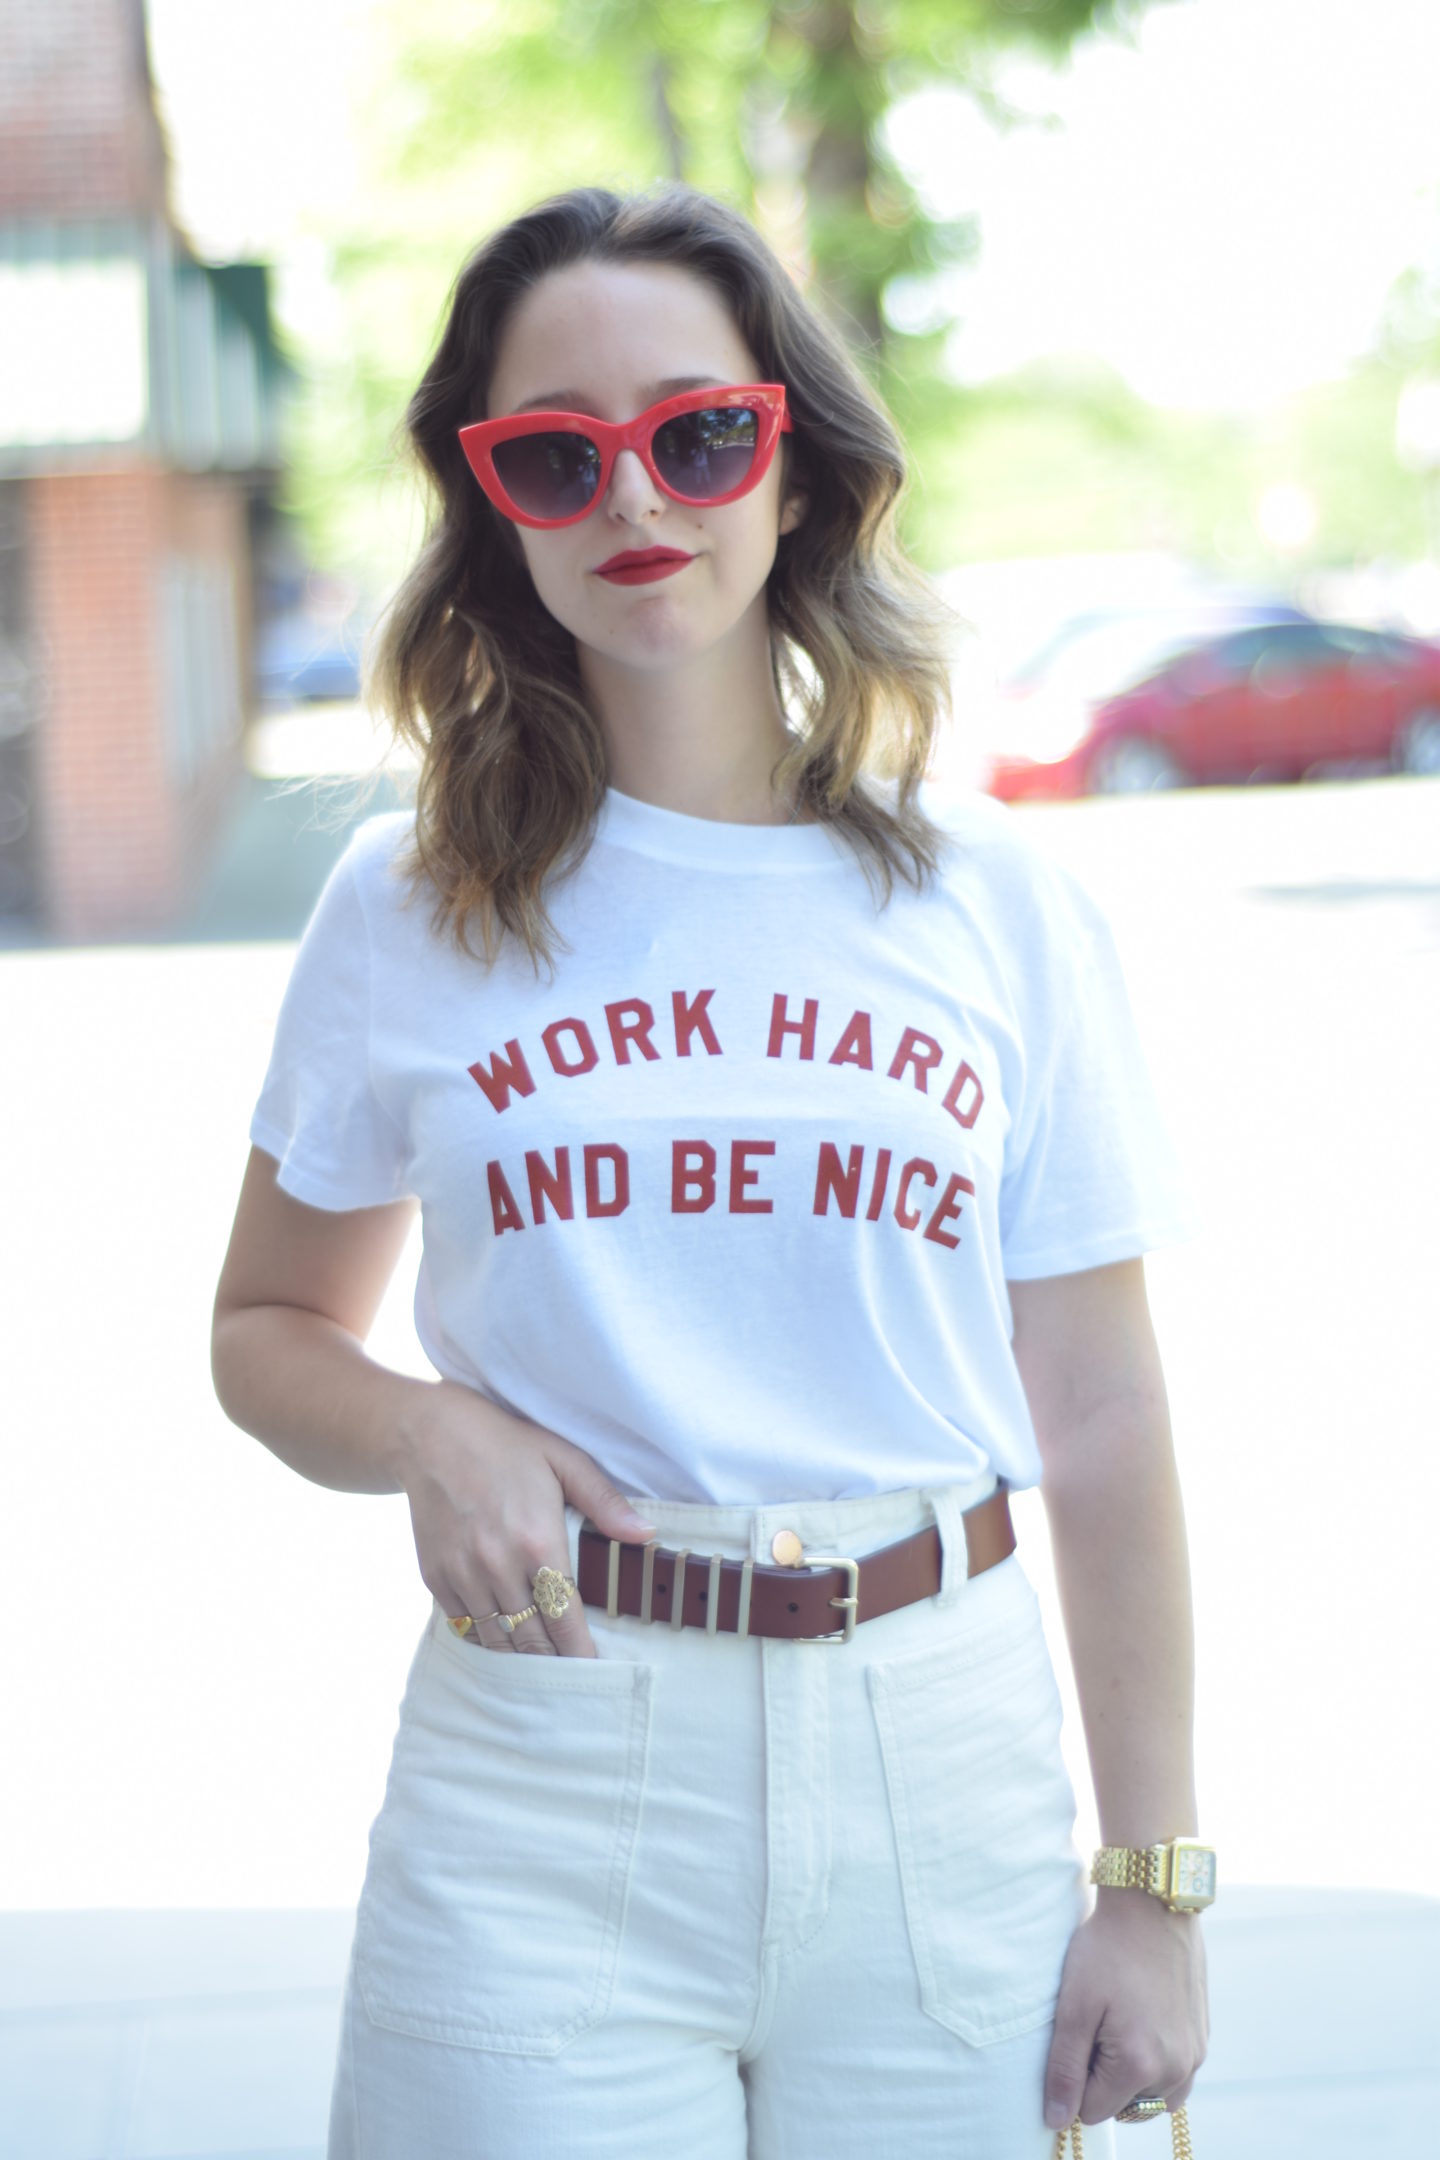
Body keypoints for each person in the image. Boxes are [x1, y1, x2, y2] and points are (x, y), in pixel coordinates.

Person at [211, 182, 1210, 2160]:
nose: (633, 493)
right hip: (552, 1771)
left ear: (794, 463)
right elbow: (262, 1330)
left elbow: (1099, 1413)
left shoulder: (994, 901)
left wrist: (1154, 1883)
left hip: (948, 1771)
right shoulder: (413, 902)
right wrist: (426, 1430)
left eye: (696, 431)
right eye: (555, 455)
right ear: (496, 502)